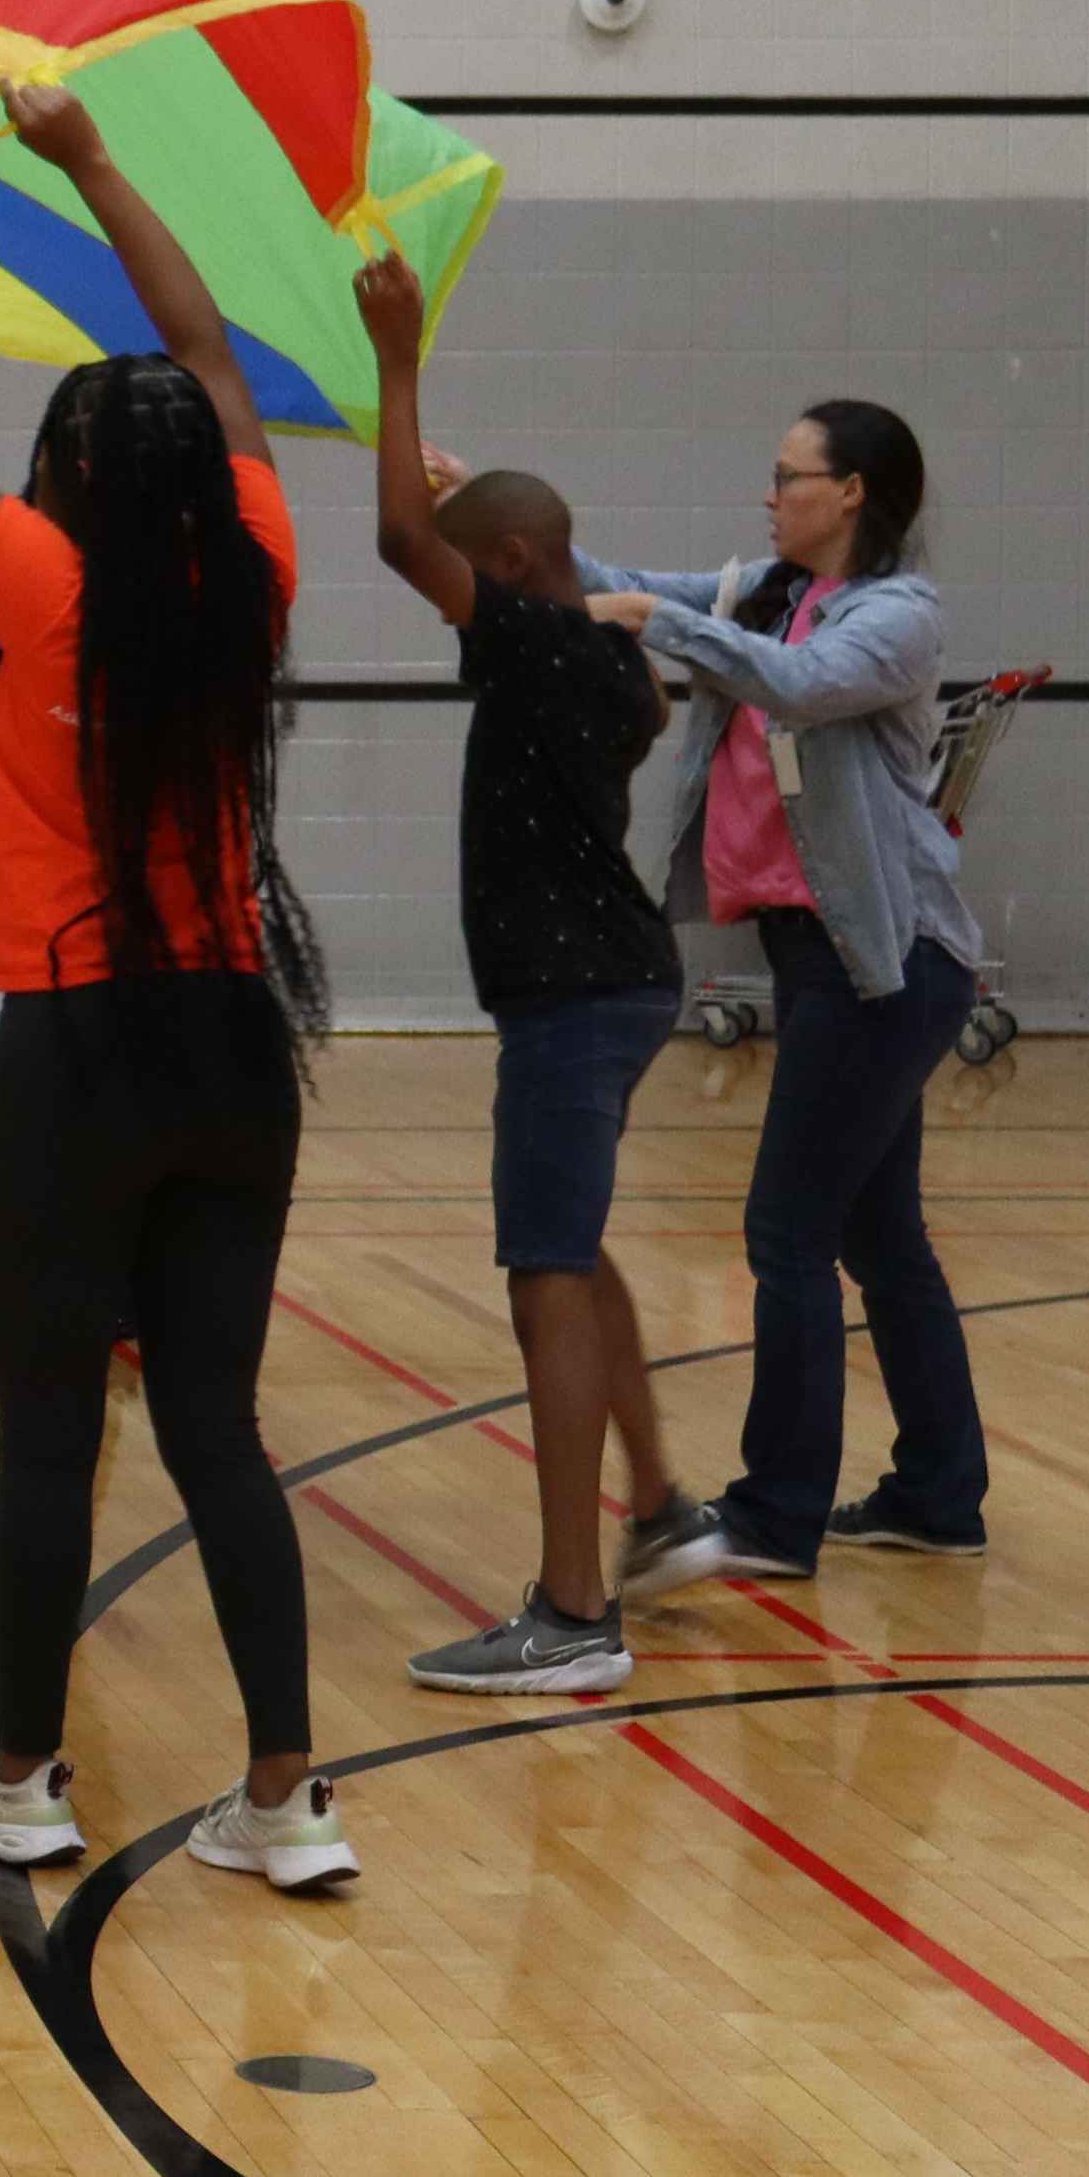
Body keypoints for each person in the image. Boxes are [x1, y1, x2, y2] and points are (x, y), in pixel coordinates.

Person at [0, 86, 355, 1896]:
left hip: (78, 1049)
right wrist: (95, 163)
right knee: (220, 1425)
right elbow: (211, 355)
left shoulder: (43, 587)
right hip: (234, 1046)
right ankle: (286, 1796)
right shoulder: (258, 579)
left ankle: (24, 1771)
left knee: (51, 1428)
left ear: (60, 485)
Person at [352, 252, 725, 1695]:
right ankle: (662, 1508)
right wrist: (462, 494)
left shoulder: (530, 646)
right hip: (619, 981)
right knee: (576, 1254)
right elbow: (473, 543)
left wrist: (397, 363)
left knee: (543, 1274)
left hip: (574, 999)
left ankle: (574, 1613)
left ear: (502, 571)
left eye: (474, 558)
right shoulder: (601, 660)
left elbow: (401, 541)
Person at [581, 396, 988, 1573]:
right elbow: (611, 576)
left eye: (788, 474)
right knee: (881, 1232)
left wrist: (658, 616)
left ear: (851, 491)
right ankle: (939, 1493)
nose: (769, 493)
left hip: (894, 963)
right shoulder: (767, 588)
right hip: (824, 959)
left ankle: (774, 1515)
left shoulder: (897, 616)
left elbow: (795, 684)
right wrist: (479, 511)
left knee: (787, 1230)